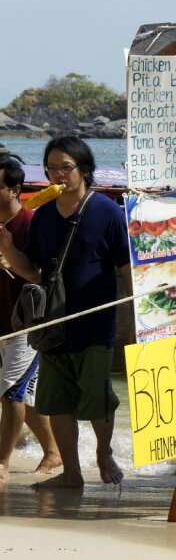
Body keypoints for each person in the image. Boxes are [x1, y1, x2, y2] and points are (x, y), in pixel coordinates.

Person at [0, 137, 131, 488]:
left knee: (98, 397)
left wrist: (141, 317)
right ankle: (71, 473)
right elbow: (32, 272)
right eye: (52, 168)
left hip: (96, 324)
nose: (58, 174)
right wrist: (9, 249)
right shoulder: (42, 217)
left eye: (66, 167)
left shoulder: (107, 212)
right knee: (57, 402)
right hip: (52, 324)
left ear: (84, 170)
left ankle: (104, 453)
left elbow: (125, 266)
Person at [0, 158, 61, 482]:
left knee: (10, 391)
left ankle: (2, 464)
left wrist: (9, 255)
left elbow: (41, 275)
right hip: (2, 324)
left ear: (14, 190)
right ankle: (54, 451)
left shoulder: (33, 225)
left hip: (30, 324)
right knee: (22, 394)